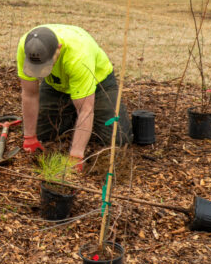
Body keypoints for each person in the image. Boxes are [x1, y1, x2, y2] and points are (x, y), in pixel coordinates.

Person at [17, 25, 132, 171]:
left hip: (98, 83)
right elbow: (30, 94)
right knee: (43, 134)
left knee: (117, 138)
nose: (40, 72)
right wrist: (29, 137)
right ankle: (72, 111)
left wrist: (76, 156)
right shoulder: (26, 47)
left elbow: (86, 109)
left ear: (58, 48)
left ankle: (77, 113)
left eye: (45, 65)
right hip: (57, 84)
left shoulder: (79, 56)